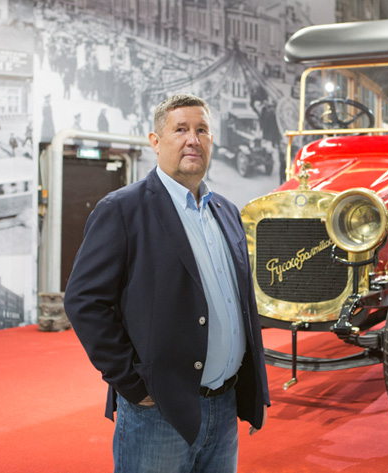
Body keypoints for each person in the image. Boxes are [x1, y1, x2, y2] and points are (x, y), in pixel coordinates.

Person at [64, 93, 270, 473]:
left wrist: (252, 389)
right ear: (156, 142)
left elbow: (241, 303)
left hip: (224, 407)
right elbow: (83, 301)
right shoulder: (123, 210)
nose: (193, 139)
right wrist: (132, 384)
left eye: (202, 130)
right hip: (158, 413)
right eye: (181, 130)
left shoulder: (226, 211)